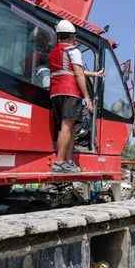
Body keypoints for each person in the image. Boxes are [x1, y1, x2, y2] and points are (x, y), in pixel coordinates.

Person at [48, 20, 103, 173]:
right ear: (72, 36)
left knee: (66, 127)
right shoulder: (74, 50)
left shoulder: (54, 52)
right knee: (67, 127)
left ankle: (68, 160)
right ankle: (60, 161)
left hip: (56, 93)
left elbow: (69, 69)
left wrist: (94, 74)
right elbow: (78, 73)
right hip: (70, 92)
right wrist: (87, 97)